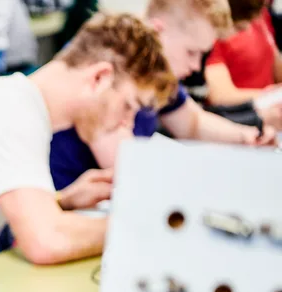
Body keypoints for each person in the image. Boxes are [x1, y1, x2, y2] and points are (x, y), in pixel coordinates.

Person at [0, 13, 176, 265]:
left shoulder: (18, 101)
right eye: (129, 106)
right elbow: (46, 241)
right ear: (100, 78)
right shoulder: (10, 109)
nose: (127, 123)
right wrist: (150, 224)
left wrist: (60, 201)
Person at [50, 0, 278, 194]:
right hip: (70, 204)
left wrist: (247, 136)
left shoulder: (157, 67)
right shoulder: (111, 65)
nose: (195, 65)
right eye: (191, 52)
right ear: (159, 31)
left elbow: (191, 123)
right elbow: (128, 167)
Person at [204, 0, 282, 106]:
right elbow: (220, 96)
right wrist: (272, 95)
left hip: (271, 104)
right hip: (245, 111)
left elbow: (275, 62)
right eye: (239, 28)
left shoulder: (259, 13)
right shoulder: (217, 34)